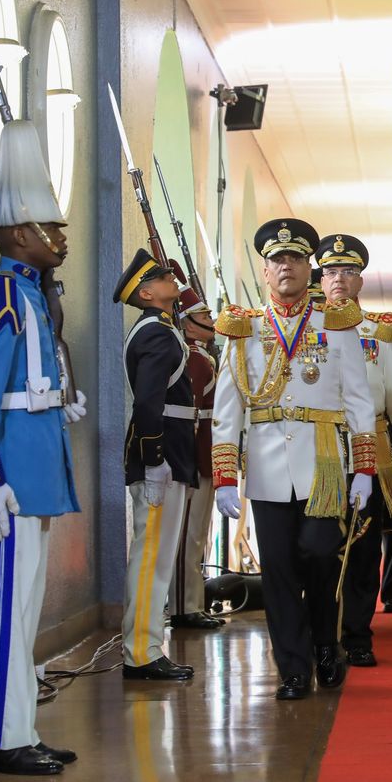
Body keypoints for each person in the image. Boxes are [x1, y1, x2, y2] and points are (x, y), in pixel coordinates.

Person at [0, 121, 82, 775]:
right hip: (8, 480)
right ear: (19, 235)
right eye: (51, 229)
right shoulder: (2, 297)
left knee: (22, 612)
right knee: (2, 613)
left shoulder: (31, 295)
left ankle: (20, 729)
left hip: (34, 478)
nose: (61, 239)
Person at [212, 218, 377, 699]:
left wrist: (364, 467)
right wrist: (226, 477)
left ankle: (327, 642)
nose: (286, 266)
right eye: (277, 260)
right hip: (265, 467)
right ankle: (293, 668)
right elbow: (227, 410)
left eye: (295, 259)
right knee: (280, 570)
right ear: (265, 271)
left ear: (310, 267)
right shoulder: (243, 329)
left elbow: (359, 400)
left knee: (321, 554)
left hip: (323, 461)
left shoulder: (336, 322)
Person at [314, 234, 392, 666]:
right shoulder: (304, 325)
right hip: (317, 443)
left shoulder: (381, 328)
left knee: (363, 543)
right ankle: (320, 628)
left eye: (349, 272)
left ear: (361, 280)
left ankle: (358, 633)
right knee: (319, 543)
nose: (339, 279)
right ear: (320, 278)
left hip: (370, 444)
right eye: (331, 271)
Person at [114, 248, 197, 682]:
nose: (172, 279)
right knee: (152, 556)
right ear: (148, 292)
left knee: (157, 554)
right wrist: (154, 458)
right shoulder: (156, 333)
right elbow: (149, 402)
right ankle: (142, 654)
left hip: (168, 450)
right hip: (161, 453)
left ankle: (144, 647)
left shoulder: (162, 329)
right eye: (164, 277)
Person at [167, 270, 224, 631]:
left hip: (203, 456)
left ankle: (190, 601)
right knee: (188, 534)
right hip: (194, 456)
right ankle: (183, 606)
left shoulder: (202, 356)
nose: (211, 324)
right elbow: (194, 418)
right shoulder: (194, 359)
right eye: (204, 319)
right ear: (187, 324)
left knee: (196, 534)